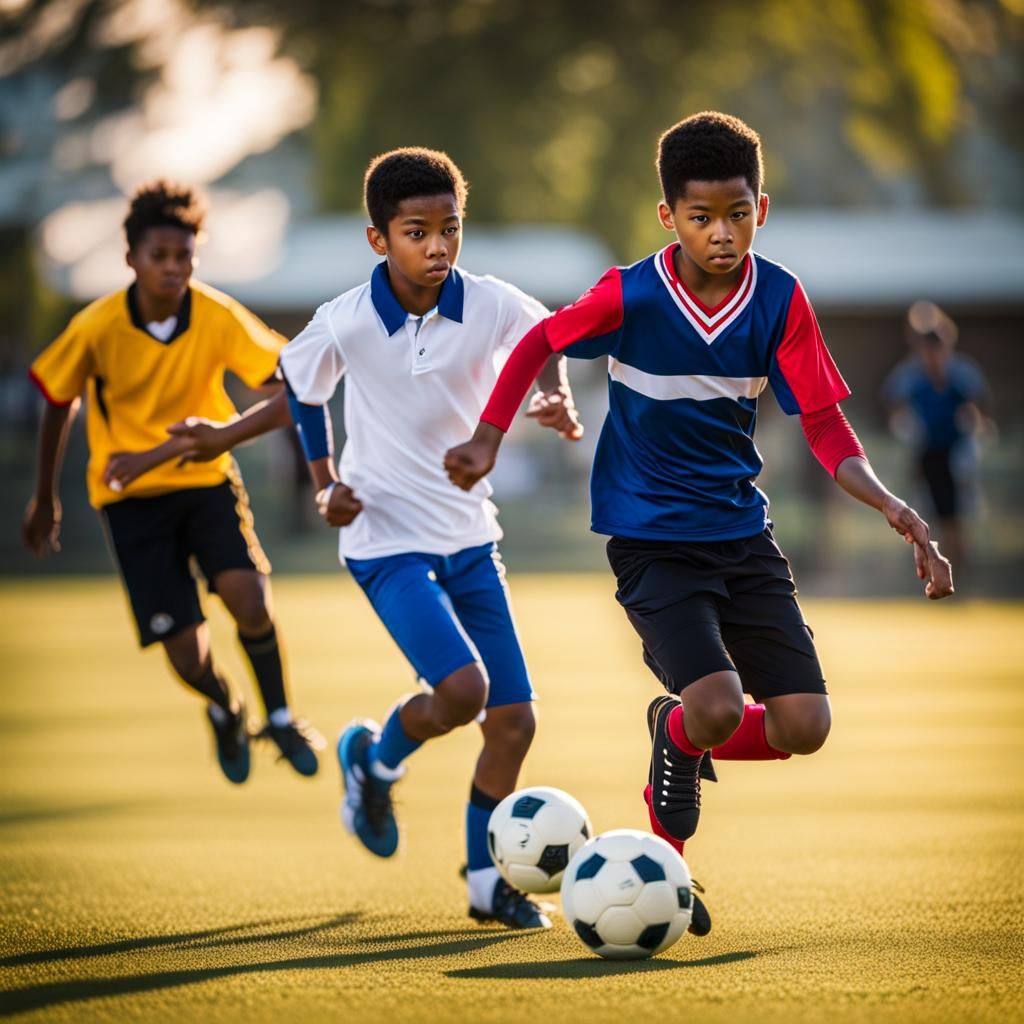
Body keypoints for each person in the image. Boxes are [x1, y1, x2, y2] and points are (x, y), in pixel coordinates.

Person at [445, 111, 954, 934]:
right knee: (715, 704)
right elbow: (541, 338)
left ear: (762, 208)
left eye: (739, 214)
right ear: (668, 217)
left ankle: (674, 736)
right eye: (702, 217)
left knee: (805, 727)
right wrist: (488, 434)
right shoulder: (631, 295)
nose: (722, 233)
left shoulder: (780, 301)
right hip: (651, 541)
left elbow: (825, 426)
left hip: (742, 537)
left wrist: (899, 510)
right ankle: (670, 851)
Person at [171, 147, 584, 929]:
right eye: (416, 231)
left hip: (470, 537)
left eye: (450, 230)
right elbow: (301, 389)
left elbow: (543, 343)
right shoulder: (346, 319)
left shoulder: (490, 302)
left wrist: (554, 397)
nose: (436, 247)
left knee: (515, 721)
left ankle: (483, 884)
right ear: (378, 240)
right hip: (383, 541)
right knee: (464, 693)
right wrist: (324, 481)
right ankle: (376, 757)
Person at [22, 180, 323, 784]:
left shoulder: (215, 314)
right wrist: (45, 496)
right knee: (187, 655)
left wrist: (233, 430)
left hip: (206, 483)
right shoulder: (97, 326)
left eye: (183, 256)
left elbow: (290, 382)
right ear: (130, 257)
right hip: (131, 503)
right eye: (158, 256)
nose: (171, 267)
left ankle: (282, 718)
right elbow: (59, 400)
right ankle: (224, 706)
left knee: (251, 599)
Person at [883, 301, 995, 573]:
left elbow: (981, 404)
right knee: (922, 514)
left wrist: (976, 429)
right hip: (924, 453)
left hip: (955, 455)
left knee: (955, 517)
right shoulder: (912, 376)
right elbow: (892, 401)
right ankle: (928, 570)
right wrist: (905, 426)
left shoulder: (960, 374)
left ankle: (960, 570)